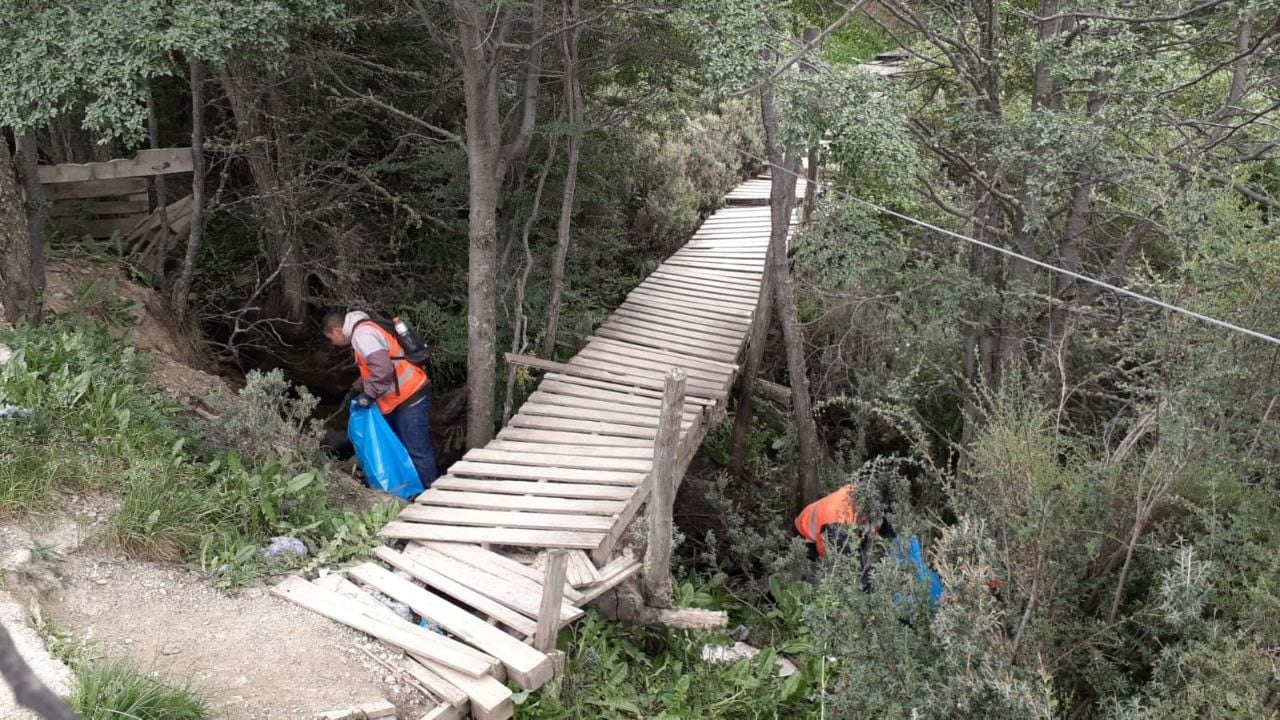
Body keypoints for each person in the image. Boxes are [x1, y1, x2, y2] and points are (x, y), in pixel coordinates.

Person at [323, 310, 438, 488]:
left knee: (417, 450)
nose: (334, 344)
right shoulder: (366, 328)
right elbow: (380, 365)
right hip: (404, 394)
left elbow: (383, 370)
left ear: (336, 331)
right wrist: (358, 387)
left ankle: (431, 496)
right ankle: (414, 490)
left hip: (410, 394)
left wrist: (369, 395)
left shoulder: (362, 335)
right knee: (404, 448)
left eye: (331, 339)